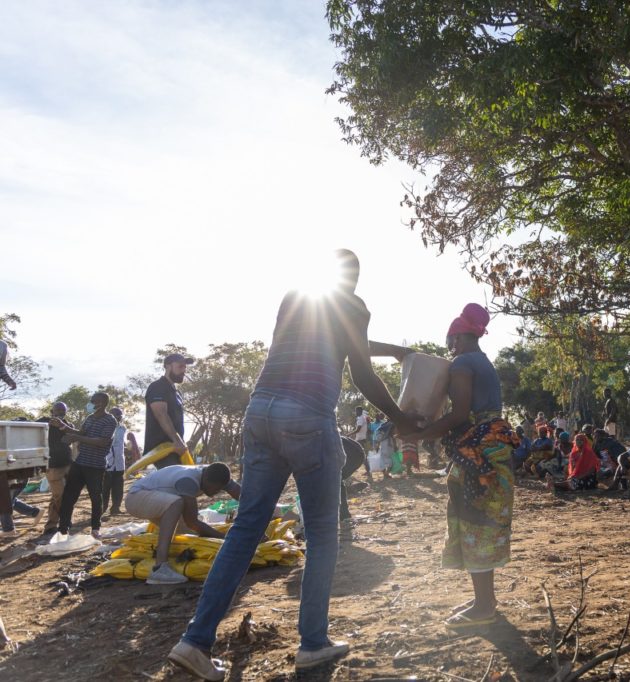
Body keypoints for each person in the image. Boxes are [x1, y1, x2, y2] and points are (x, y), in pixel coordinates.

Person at [169, 249, 418, 680]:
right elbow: (359, 369)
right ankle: (313, 642)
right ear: (354, 279)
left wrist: (392, 349)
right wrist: (399, 418)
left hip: (260, 411)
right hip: (306, 414)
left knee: (247, 526)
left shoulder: (294, 297)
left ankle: (195, 640)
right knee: (323, 533)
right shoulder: (355, 306)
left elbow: (328, 341)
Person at [407, 302, 517, 631]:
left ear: (456, 338)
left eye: (448, 342)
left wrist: (419, 433)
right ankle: (485, 601)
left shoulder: (462, 363)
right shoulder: (481, 361)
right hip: (492, 447)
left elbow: (458, 415)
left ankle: (484, 606)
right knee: (480, 519)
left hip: (479, 453)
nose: (448, 348)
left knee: (475, 519)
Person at [125, 463, 240, 585]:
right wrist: (226, 539)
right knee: (177, 504)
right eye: (215, 488)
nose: (216, 492)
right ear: (206, 480)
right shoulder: (188, 481)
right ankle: (159, 569)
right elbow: (192, 522)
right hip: (136, 498)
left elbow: (240, 493)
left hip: (158, 500)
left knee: (192, 533)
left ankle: (166, 558)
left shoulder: (216, 473)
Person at [55, 392, 118, 539]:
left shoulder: (110, 421)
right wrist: (63, 427)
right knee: (69, 496)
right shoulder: (89, 418)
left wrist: (76, 438)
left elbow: (102, 441)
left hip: (95, 465)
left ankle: (95, 527)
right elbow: (81, 432)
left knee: (96, 497)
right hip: (80, 462)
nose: (90, 403)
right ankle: (63, 528)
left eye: (93, 401)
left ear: (101, 403)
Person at [145, 353, 194, 468]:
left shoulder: (176, 392)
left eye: (185, 367)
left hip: (175, 447)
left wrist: (181, 442)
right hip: (162, 448)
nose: (183, 370)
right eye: (180, 366)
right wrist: (177, 441)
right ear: (168, 366)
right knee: (175, 483)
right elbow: (161, 414)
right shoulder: (158, 386)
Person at [36, 402, 74, 538]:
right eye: (57, 410)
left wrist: (62, 426)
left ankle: (52, 525)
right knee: (60, 495)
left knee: (63, 495)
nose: (60, 412)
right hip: (52, 465)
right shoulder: (43, 422)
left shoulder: (68, 425)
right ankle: (61, 521)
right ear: (52, 411)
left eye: (63, 410)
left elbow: (70, 438)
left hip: (68, 464)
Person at [101, 407, 129, 516]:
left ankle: (115, 508)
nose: (118, 417)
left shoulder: (122, 428)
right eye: (115, 415)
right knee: (105, 487)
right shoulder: (105, 427)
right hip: (107, 462)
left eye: (119, 415)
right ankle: (102, 509)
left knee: (118, 486)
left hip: (119, 462)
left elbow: (121, 444)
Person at [348, 406, 374, 485]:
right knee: (362, 455)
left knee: (358, 455)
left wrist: (349, 434)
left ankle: (351, 470)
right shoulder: (363, 417)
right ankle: (368, 471)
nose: (356, 413)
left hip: (360, 439)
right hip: (361, 438)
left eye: (356, 411)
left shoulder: (360, 418)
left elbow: (358, 429)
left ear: (359, 411)